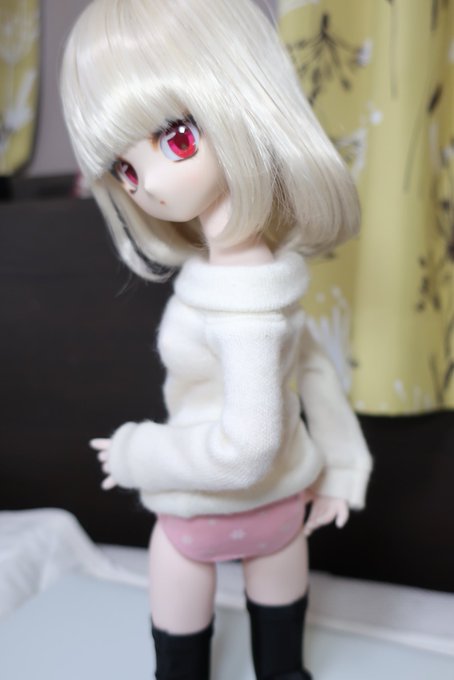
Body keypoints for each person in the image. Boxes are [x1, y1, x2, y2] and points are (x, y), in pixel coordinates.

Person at [60, 1, 373, 678]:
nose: (150, 186)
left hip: (198, 515)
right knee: (282, 664)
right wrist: (343, 469)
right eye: (126, 171)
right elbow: (312, 369)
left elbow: (246, 449)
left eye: (176, 139)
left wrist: (138, 453)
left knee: (182, 660)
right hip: (282, 513)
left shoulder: (241, 306)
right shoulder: (262, 281)